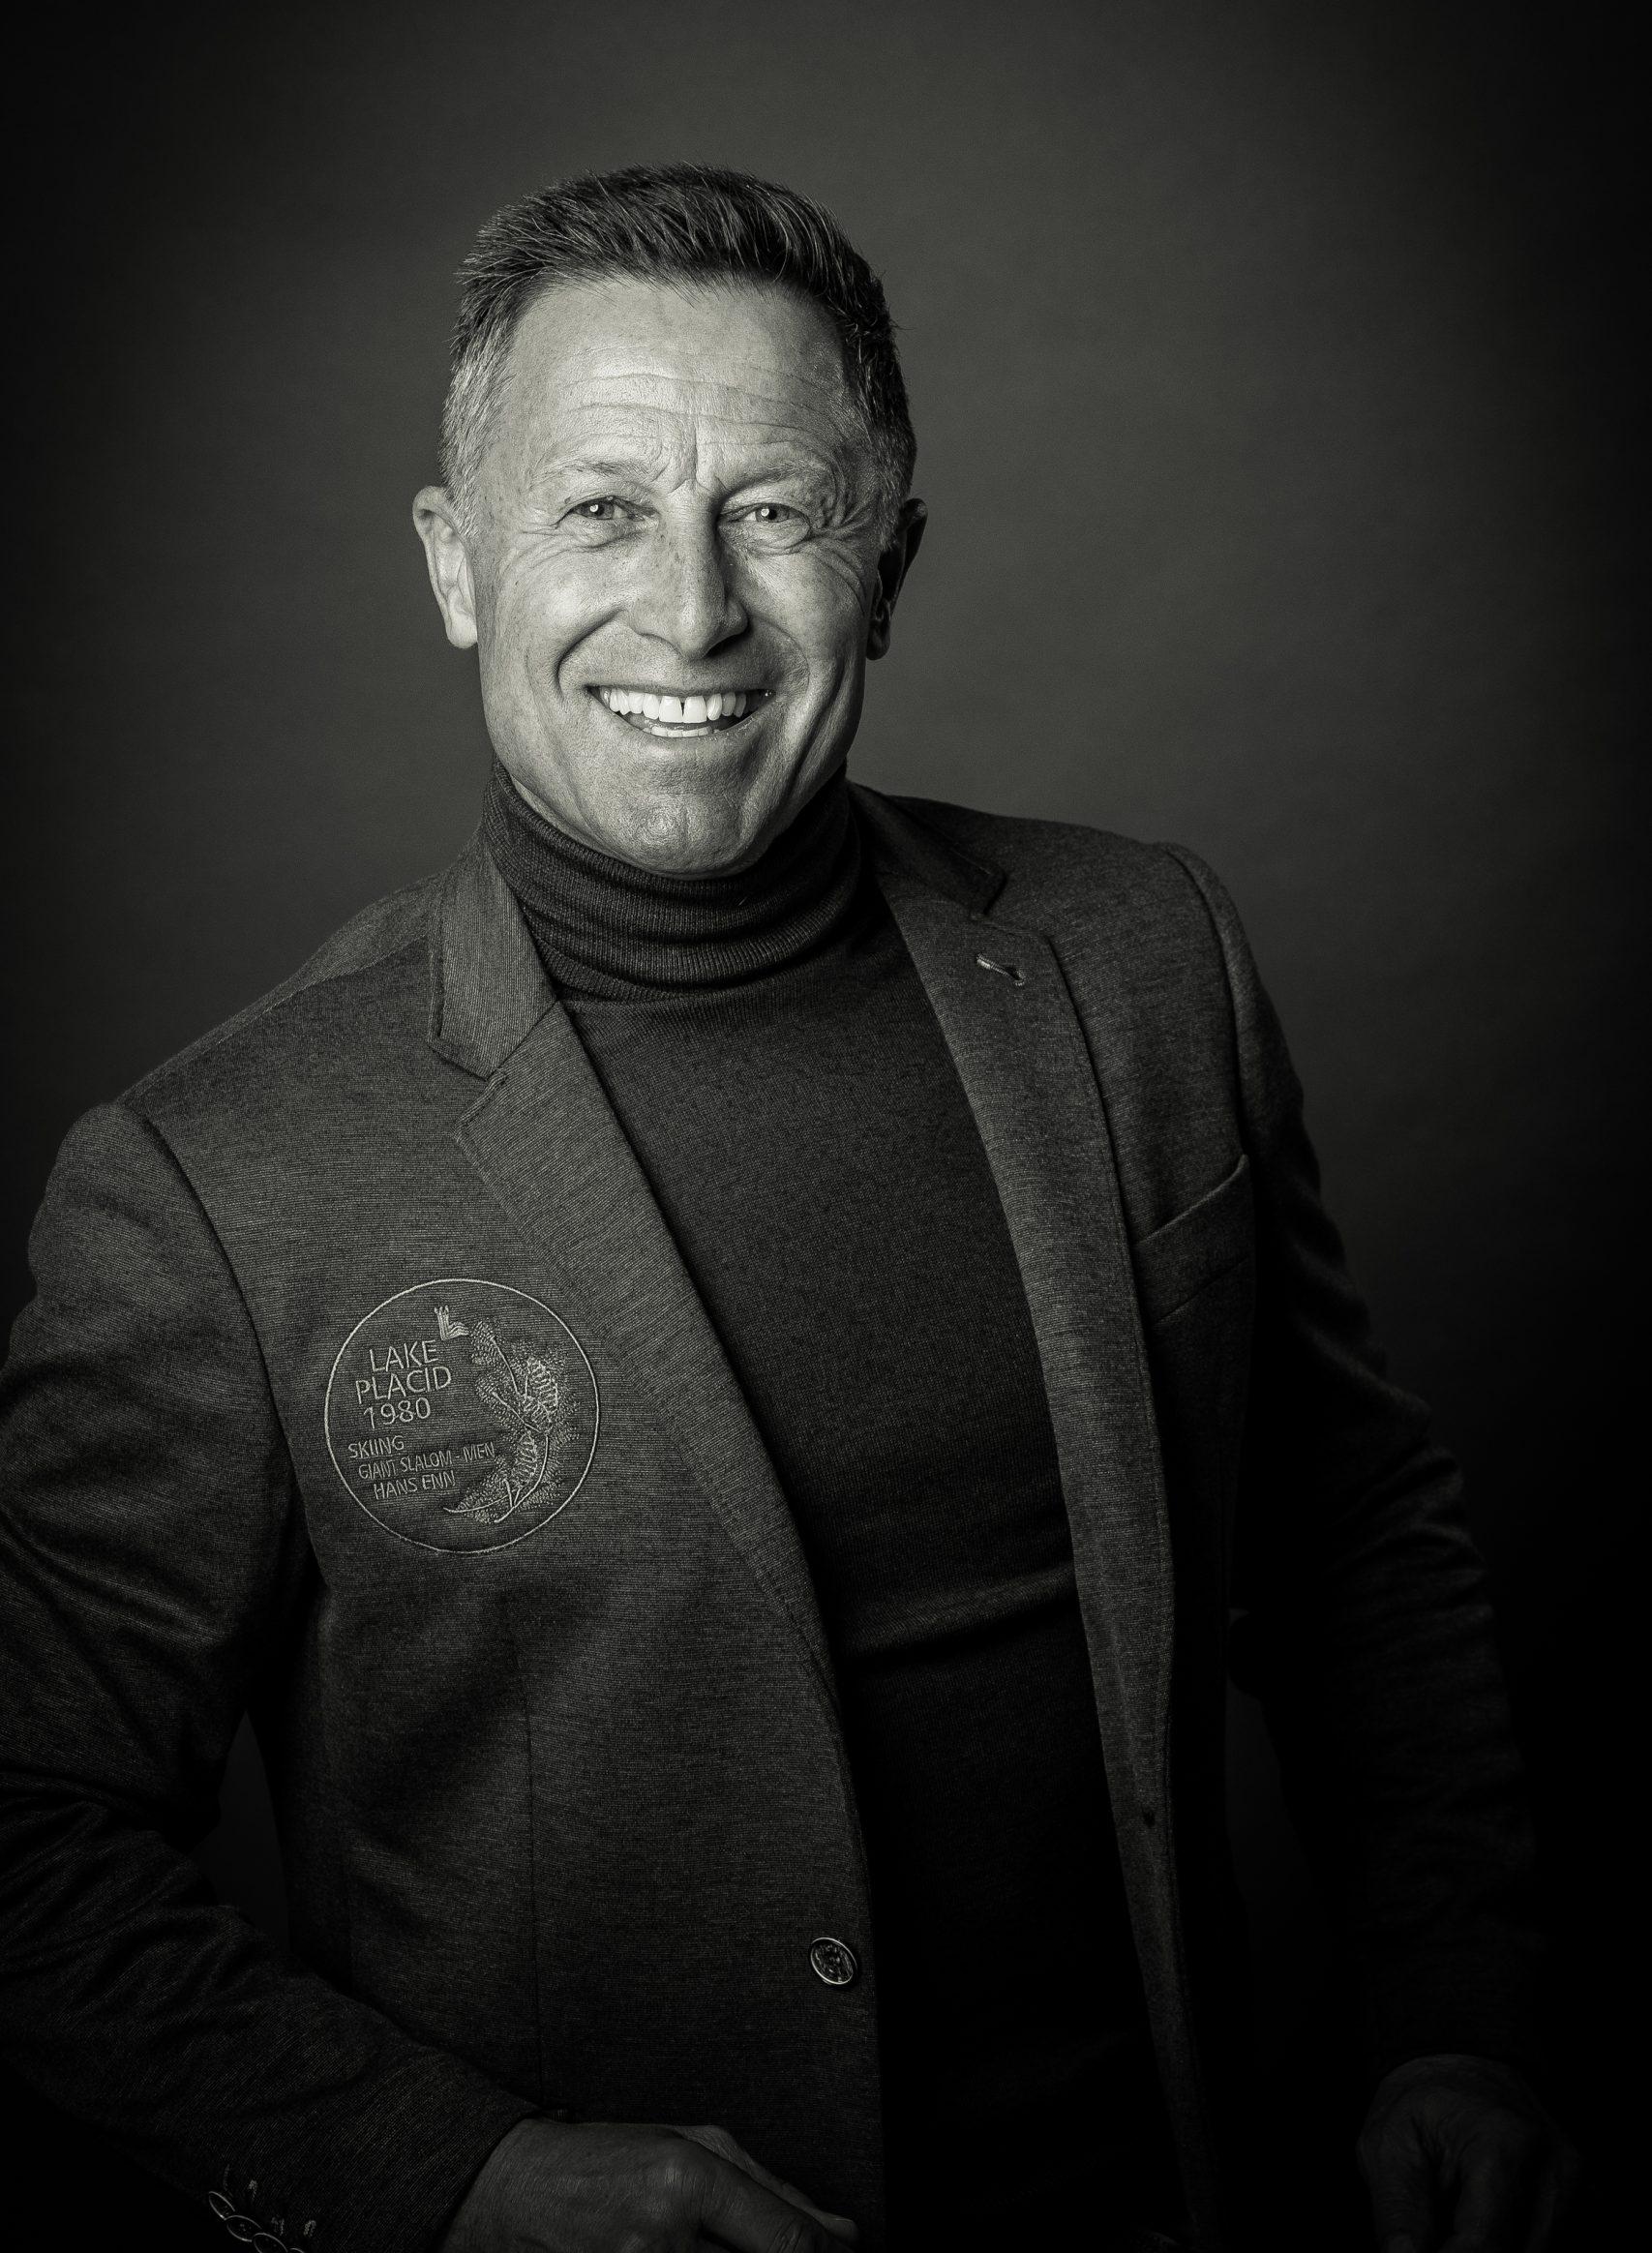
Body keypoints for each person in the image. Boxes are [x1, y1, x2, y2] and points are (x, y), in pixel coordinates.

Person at [0, 165, 1574, 2253]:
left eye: (772, 510)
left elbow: (1350, 1536)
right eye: (597, 510)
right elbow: (27, 1829)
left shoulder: (1140, 963)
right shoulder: (216, 1175)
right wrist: (454, 2178)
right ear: (455, 564)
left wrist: (1453, 2018)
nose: (692, 611)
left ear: (886, 564)